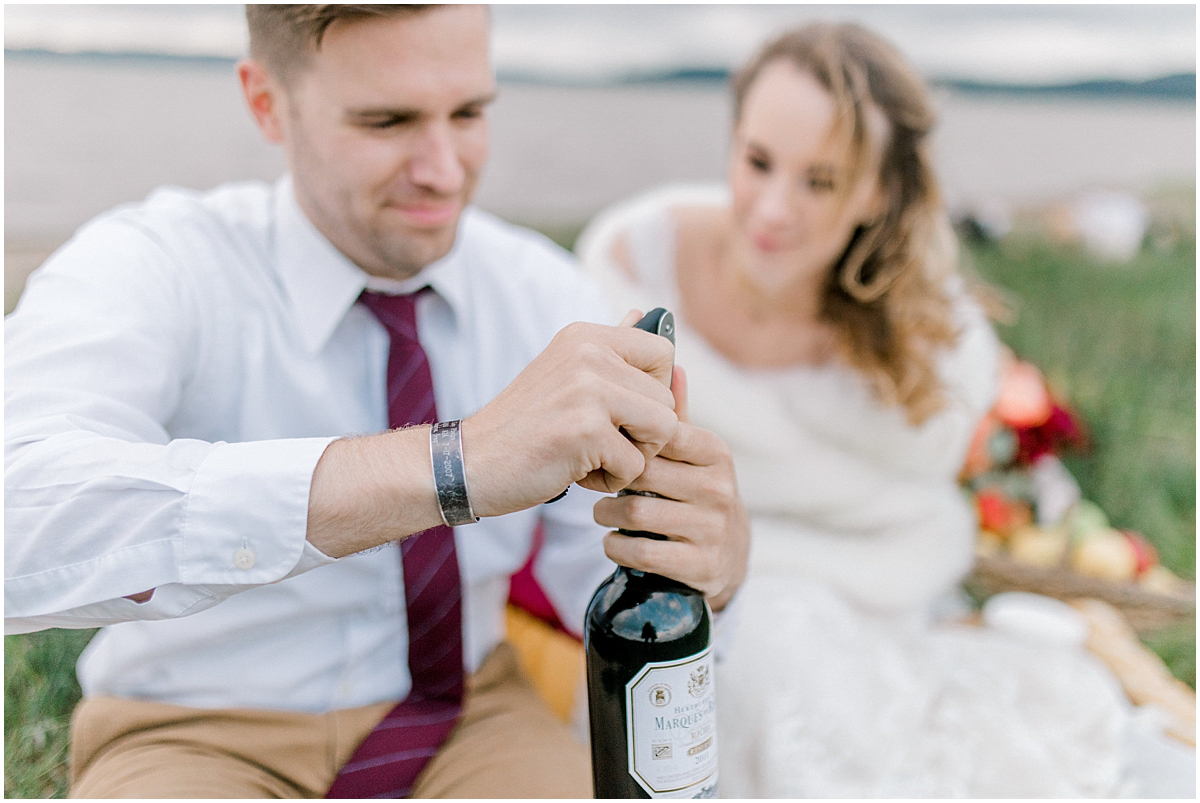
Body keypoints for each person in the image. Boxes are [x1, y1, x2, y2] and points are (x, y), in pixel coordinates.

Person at [4, 5, 749, 798]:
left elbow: (596, 577)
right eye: (386, 120)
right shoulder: (156, 261)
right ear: (267, 103)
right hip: (190, 727)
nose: (442, 168)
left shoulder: (545, 293)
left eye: (468, 113)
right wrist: (458, 462)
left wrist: (701, 564)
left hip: (476, 717)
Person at [577, 21, 1194, 798]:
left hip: (858, 601)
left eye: (819, 181)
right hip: (682, 606)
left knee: (789, 656)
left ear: (872, 191)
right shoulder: (631, 263)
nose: (771, 208)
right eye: (757, 160)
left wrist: (769, 571)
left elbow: (904, 509)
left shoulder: (928, 339)